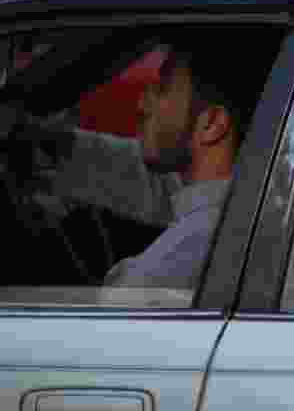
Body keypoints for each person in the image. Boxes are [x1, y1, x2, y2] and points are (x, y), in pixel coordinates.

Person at [41, 38, 277, 290]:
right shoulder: (245, 210)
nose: (141, 105)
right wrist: (54, 145)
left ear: (212, 124)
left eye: (162, 89)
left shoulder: (187, 251)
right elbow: (151, 186)